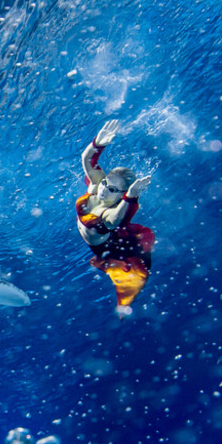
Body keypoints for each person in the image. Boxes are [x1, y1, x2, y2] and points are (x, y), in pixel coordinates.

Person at [75, 119, 155, 311]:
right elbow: (87, 160)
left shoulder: (109, 214)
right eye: (105, 183)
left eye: (112, 189)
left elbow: (118, 218)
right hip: (99, 235)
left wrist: (131, 197)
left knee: (132, 271)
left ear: (120, 195)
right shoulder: (97, 186)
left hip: (107, 248)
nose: (104, 190)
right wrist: (98, 143)